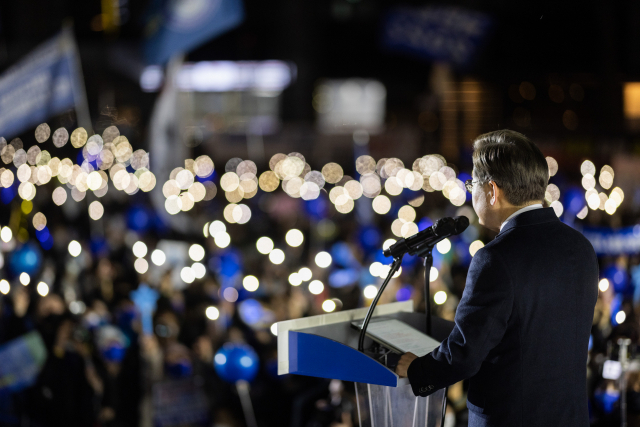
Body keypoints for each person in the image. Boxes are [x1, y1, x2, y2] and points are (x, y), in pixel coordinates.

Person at [395, 130, 598, 426]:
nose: (470, 191)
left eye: (471, 184)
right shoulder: (580, 246)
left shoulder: (495, 259)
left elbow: (464, 354)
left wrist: (417, 370)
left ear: (492, 190)